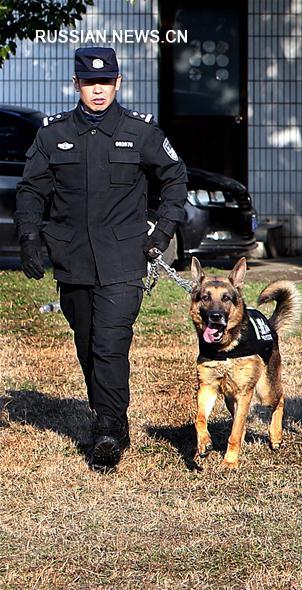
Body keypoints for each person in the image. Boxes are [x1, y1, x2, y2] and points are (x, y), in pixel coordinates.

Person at [15, 47, 188, 470]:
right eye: (90, 83)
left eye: (105, 82)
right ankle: (108, 414)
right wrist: (29, 237)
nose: (98, 90)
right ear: (77, 84)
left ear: (118, 83)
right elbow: (31, 190)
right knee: (88, 343)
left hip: (123, 258)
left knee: (111, 343)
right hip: (72, 257)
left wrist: (161, 233)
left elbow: (175, 178)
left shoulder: (141, 132)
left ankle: (109, 427)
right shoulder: (52, 134)